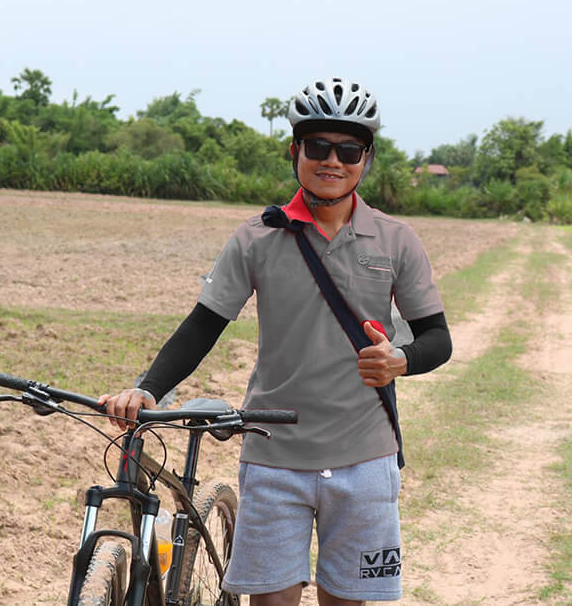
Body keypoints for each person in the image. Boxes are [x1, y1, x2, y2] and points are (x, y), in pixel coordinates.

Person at [99, 77, 452, 605]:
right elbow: (203, 324)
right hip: (273, 456)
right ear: (295, 152)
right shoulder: (258, 238)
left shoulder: (396, 240)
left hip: (364, 458)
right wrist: (149, 388)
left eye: (349, 149)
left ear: (367, 158)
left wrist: (400, 360)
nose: (333, 160)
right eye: (318, 147)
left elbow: (437, 339)